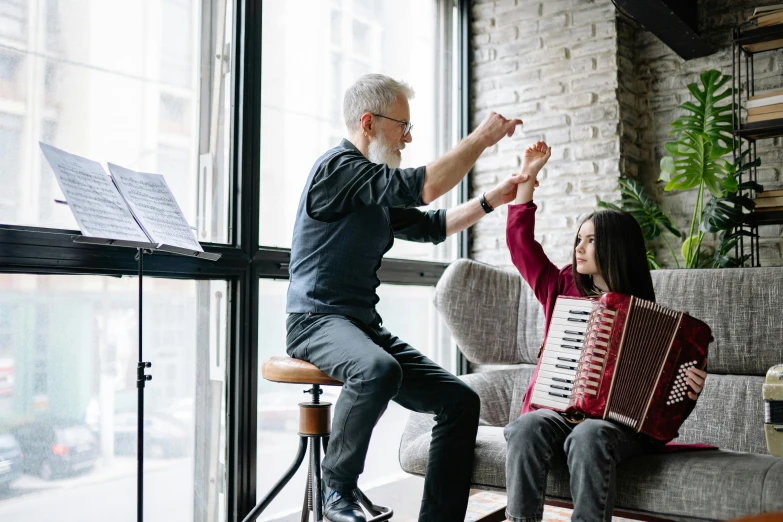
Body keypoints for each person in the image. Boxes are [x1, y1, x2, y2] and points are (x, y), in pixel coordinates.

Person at [285, 73, 529, 522]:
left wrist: (491, 200)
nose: (409, 137)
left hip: (359, 326)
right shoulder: (337, 170)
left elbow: (432, 226)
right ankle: (336, 489)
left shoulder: (370, 187)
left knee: (459, 401)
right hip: (315, 321)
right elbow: (425, 186)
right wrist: (482, 138)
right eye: (402, 126)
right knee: (378, 369)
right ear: (368, 122)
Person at [503, 141, 709, 522]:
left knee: (589, 434)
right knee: (528, 425)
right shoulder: (560, 286)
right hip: (558, 412)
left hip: (618, 429)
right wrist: (528, 178)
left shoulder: (643, 312)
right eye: (578, 239)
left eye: (591, 239)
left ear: (615, 247)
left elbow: (672, 388)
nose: (578, 247)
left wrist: (689, 384)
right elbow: (520, 245)